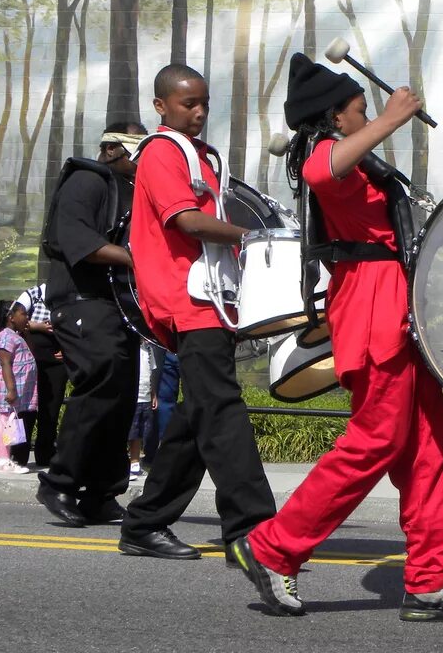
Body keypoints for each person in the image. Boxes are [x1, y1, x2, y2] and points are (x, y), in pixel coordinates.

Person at [231, 53, 443, 623]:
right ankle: (274, 546)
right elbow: (321, 173)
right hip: (374, 313)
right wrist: (393, 118)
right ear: (334, 117)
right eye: (360, 109)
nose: (369, 114)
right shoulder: (321, 155)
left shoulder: (362, 164)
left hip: (398, 311)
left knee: (429, 450)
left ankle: (433, 577)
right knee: (374, 440)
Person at [118, 64, 276, 560]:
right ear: (161, 106)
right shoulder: (162, 152)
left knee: (197, 414)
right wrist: (254, 237)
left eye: (204, 103)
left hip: (207, 297)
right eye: (189, 103)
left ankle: (144, 522)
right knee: (224, 409)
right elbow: (186, 220)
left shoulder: (201, 156)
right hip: (185, 301)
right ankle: (254, 530)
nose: (200, 112)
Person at [35, 129, 142, 527]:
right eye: (137, 150)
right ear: (112, 149)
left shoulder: (131, 188)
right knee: (100, 379)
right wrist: (138, 258)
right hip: (81, 299)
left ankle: (101, 493)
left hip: (117, 304)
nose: (144, 159)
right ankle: (59, 482)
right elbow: (79, 240)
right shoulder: (88, 179)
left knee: (121, 393)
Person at [15, 282, 67, 467]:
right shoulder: (33, 294)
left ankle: (45, 453)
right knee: (27, 407)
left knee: (51, 408)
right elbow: (14, 318)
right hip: (31, 361)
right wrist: (38, 327)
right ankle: (19, 453)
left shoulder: (69, 296)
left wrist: (68, 349)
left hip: (57, 362)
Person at [0, 300, 37, 475]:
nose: (27, 318)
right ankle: (4, 460)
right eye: (24, 314)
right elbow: (5, 364)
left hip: (18, 390)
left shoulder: (16, 335)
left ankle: (8, 458)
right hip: (7, 388)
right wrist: (11, 389)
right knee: (5, 423)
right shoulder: (5, 336)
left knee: (10, 423)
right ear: (11, 317)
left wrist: (27, 334)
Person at [128, 341, 157, 481]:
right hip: (132, 396)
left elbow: (151, 372)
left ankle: (135, 463)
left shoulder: (149, 349)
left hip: (145, 396)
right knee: (131, 432)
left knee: (141, 431)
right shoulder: (129, 347)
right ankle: (126, 464)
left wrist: (153, 394)